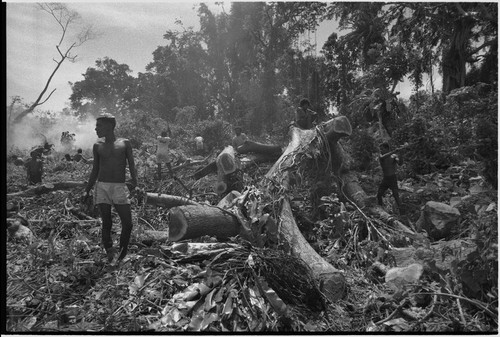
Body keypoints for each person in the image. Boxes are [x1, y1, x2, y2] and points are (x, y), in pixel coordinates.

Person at [83, 113, 138, 264]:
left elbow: (131, 165)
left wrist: (136, 184)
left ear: (109, 126)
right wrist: (87, 189)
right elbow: (95, 169)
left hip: (119, 187)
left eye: (98, 126)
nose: (96, 129)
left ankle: (122, 253)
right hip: (102, 187)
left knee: (128, 223)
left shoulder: (124, 143)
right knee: (106, 222)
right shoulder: (97, 146)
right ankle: (109, 252)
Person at [377, 142, 402, 213]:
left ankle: (402, 212)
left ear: (387, 149)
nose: (381, 151)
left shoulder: (393, 156)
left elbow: (400, 163)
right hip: (385, 179)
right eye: (380, 149)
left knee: (395, 195)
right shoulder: (381, 155)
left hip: (392, 178)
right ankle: (381, 210)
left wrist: (400, 154)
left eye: (382, 149)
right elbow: (382, 157)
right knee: (379, 194)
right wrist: (394, 151)